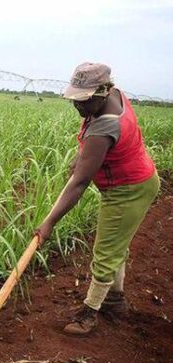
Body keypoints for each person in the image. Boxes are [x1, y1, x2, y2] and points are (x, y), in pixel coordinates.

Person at [35, 62, 159, 336]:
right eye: (75, 99)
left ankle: (89, 313)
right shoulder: (115, 95)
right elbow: (91, 145)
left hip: (128, 189)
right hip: (139, 178)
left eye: (84, 101)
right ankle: (114, 300)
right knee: (116, 245)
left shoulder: (104, 127)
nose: (78, 107)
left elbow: (79, 183)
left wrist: (49, 222)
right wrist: (83, 154)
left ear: (103, 91)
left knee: (105, 252)